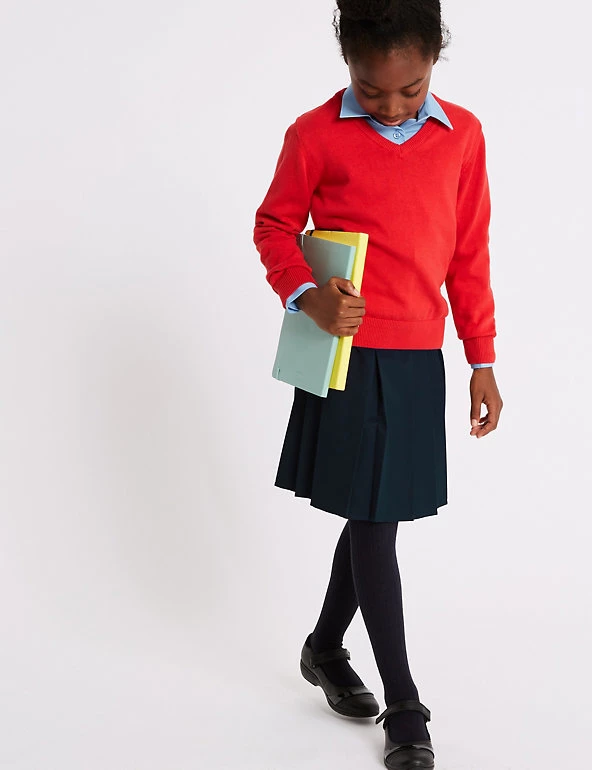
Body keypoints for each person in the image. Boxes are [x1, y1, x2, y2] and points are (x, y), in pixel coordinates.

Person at [253, 1, 504, 768]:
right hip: (348, 357)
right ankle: (405, 704)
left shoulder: (463, 136)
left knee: (377, 514)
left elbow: (468, 252)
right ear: (347, 65)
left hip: (419, 357)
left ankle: (325, 647)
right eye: (371, 89)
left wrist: (482, 357)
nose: (391, 105)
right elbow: (273, 226)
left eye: (411, 88)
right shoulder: (314, 134)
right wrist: (307, 294)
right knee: (373, 520)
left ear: (435, 60)